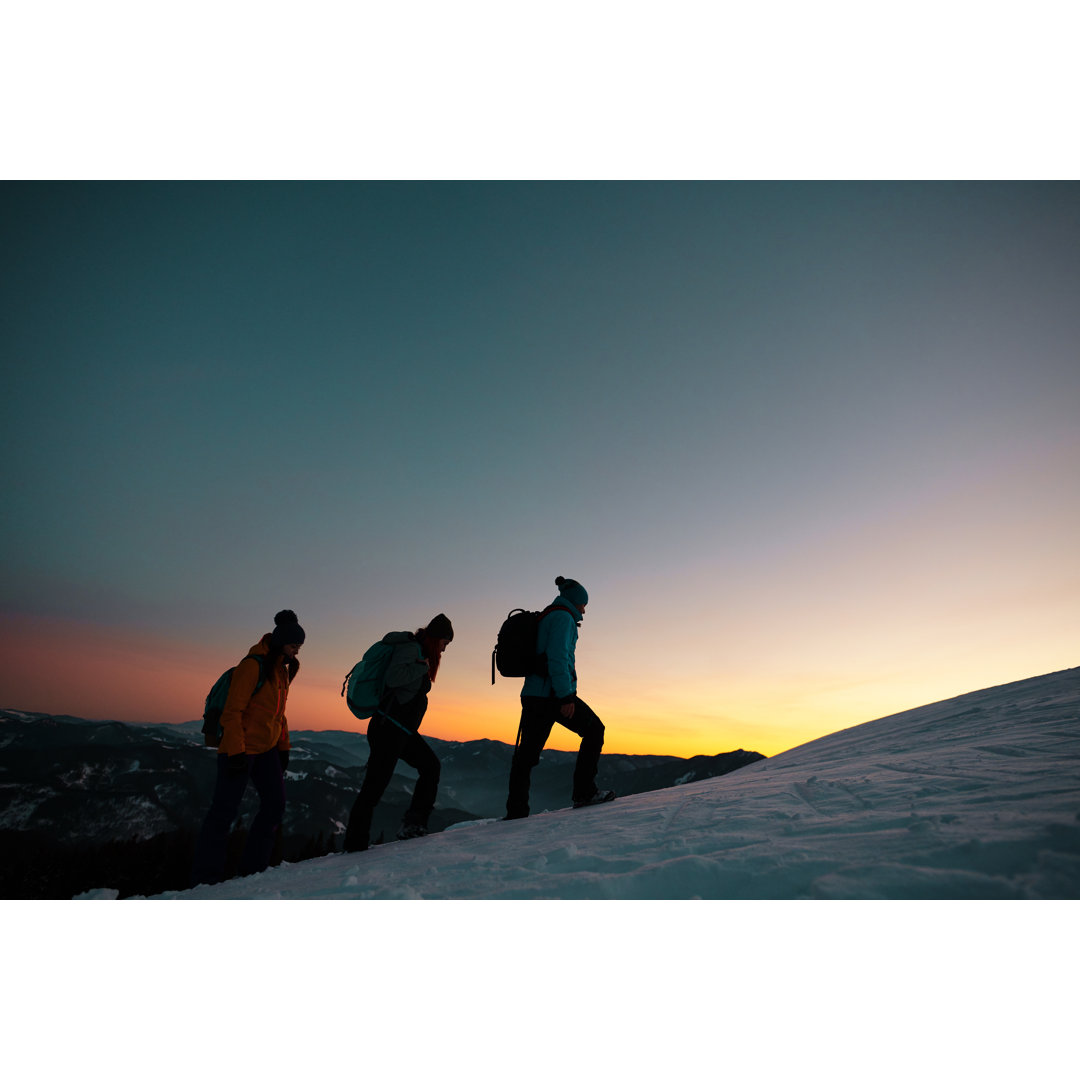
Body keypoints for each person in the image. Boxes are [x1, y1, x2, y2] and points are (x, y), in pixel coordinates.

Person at [191, 609, 304, 886]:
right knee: (224, 812)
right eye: (293, 646)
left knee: (275, 804)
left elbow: (278, 714)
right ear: (280, 642)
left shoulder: (279, 671)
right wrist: (237, 751)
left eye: (299, 648)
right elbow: (232, 712)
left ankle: (253, 870)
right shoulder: (252, 666)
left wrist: (283, 746)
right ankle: (206, 880)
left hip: (266, 750)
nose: (295, 653)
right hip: (239, 750)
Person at [504, 576, 614, 819]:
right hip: (552, 694)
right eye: (584, 604)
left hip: (534, 694)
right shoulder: (563, 618)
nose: (585, 610)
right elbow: (558, 658)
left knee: (527, 755)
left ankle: (516, 811)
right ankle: (585, 792)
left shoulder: (548, 615)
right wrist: (566, 696)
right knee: (595, 730)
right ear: (576, 602)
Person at [344, 613, 454, 853]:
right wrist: (421, 667)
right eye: (445, 644)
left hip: (400, 730)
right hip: (388, 729)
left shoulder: (418, 652)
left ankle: (414, 824)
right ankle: (355, 843)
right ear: (437, 639)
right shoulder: (411, 649)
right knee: (374, 788)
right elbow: (394, 678)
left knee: (430, 767)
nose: (444, 651)